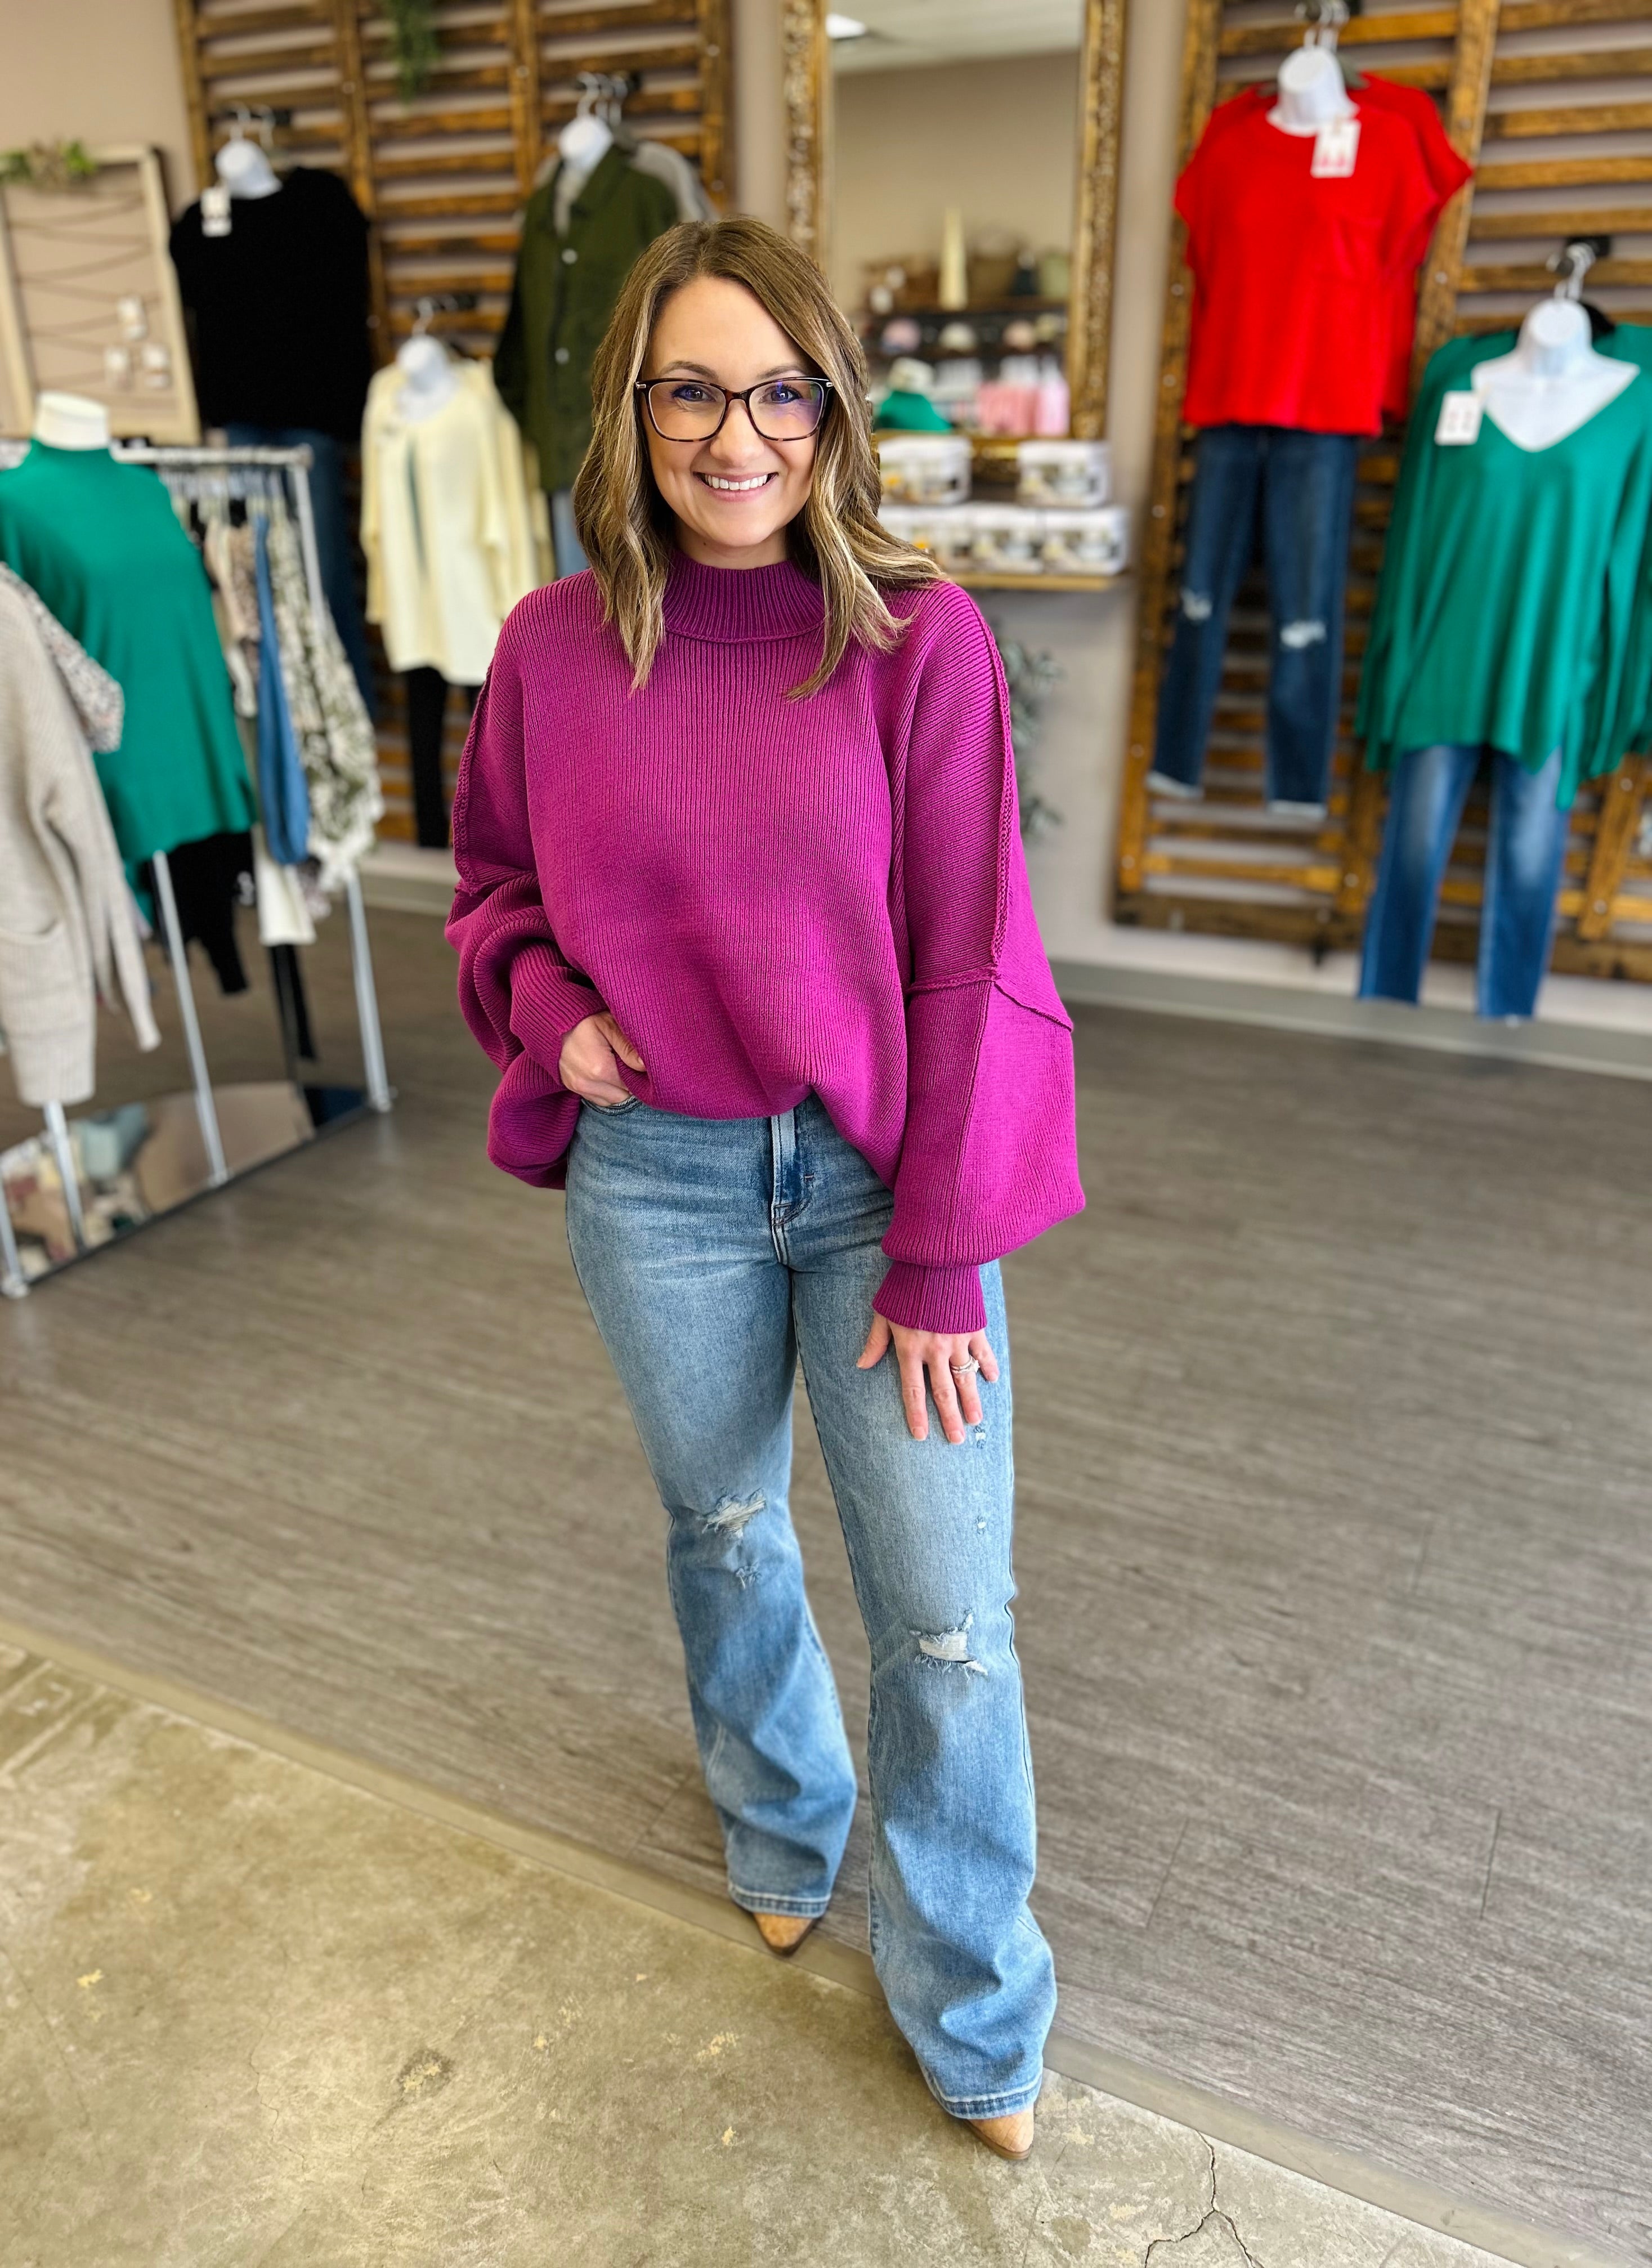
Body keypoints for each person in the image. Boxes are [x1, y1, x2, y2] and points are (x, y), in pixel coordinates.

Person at [447, 215, 1083, 2160]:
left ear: (833, 408)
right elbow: (493, 889)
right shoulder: (553, 651)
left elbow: (975, 960)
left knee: (947, 1615)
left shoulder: (919, 640)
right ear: (631, 409)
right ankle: (783, 1821)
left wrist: (944, 1253)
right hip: (656, 1178)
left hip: (885, 1184)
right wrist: (543, 1010)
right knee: (722, 1525)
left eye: (781, 393)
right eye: (694, 392)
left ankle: (974, 2003)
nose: (739, 438)